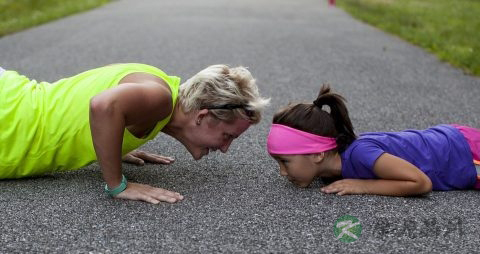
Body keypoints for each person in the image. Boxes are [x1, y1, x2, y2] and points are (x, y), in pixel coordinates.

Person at [0, 63, 269, 204]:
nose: (225, 148)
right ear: (202, 116)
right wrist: (118, 185)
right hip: (9, 120)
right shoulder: (160, 98)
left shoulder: (161, 93)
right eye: (228, 136)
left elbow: (91, 103)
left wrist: (112, 144)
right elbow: (103, 105)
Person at [266, 84, 480, 197]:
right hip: (456, 142)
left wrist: (363, 186)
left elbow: (421, 183)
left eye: (285, 161)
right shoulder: (330, 169)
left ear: (318, 153)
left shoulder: (360, 154)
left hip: (466, 153)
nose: (283, 172)